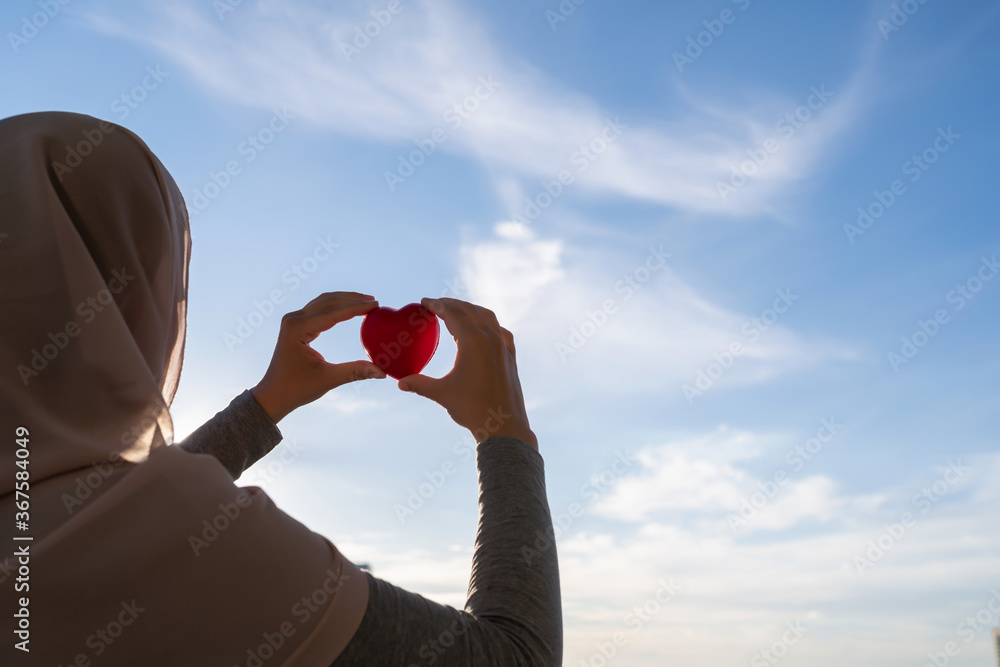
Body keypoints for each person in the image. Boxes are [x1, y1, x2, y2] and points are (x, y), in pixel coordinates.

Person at [0, 111, 561, 666]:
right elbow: (516, 657)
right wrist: (505, 431)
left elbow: (109, 532)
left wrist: (266, 403)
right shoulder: (193, 550)